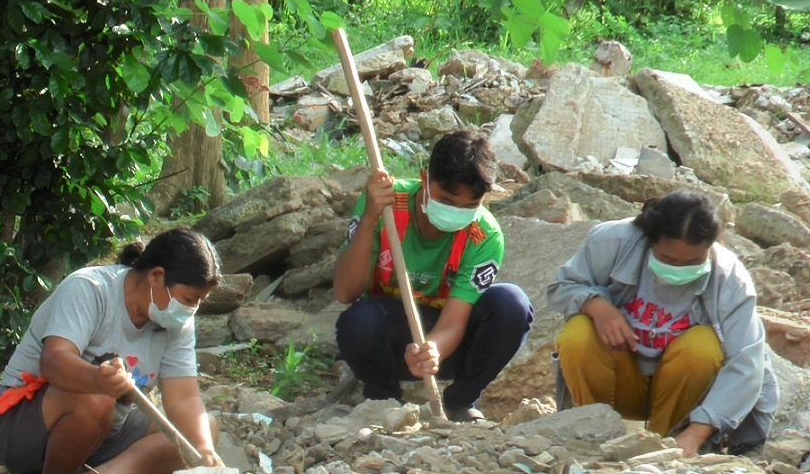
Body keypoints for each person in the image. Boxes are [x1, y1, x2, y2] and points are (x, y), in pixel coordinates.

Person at [0, 228, 223, 474]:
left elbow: (185, 397)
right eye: (189, 299)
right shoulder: (89, 288)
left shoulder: (176, 323)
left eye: (199, 301)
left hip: (104, 435)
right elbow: (53, 361)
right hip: (20, 429)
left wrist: (203, 449)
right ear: (156, 276)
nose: (192, 309)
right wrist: (98, 379)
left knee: (204, 429)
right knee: (96, 398)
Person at [547, 188, 778, 456]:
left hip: (684, 396)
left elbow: (747, 362)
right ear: (649, 241)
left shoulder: (730, 279)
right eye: (667, 259)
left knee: (704, 346)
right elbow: (561, 287)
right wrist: (597, 306)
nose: (679, 268)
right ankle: (591, 436)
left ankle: (668, 442)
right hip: (617, 378)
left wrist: (697, 433)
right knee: (578, 333)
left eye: (693, 261)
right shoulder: (612, 241)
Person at [333, 130, 533, 421]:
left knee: (512, 304)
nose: (456, 213)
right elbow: (345, 292)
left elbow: (454, 321)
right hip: (389, 333)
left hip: (449, 339)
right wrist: (368, 220)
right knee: (359, 320)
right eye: (447, 201)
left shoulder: (484, 236)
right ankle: (383, 400)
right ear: (424, 179)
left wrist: (432, 351)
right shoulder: (385, 204)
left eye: (470, 206)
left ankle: (460, 403)